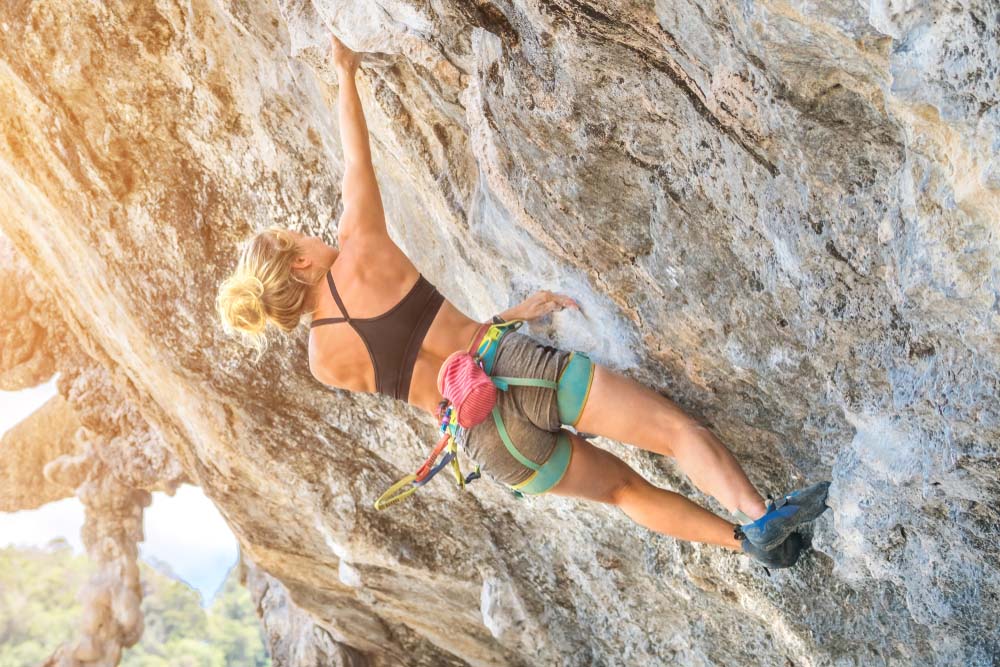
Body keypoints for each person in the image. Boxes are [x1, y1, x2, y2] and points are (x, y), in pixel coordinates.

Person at [216, 34, 829, 568]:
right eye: (301, 238)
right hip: (513, 371)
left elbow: (430, 363)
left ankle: (744, 544)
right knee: (672, 431)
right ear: (299, 263)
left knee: (623, 493)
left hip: (484, 441)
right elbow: (357, 158)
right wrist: (345, 71)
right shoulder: (360, 250)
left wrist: (509, 314)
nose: (314, 235)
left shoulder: (325, 363)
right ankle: (757, 513)